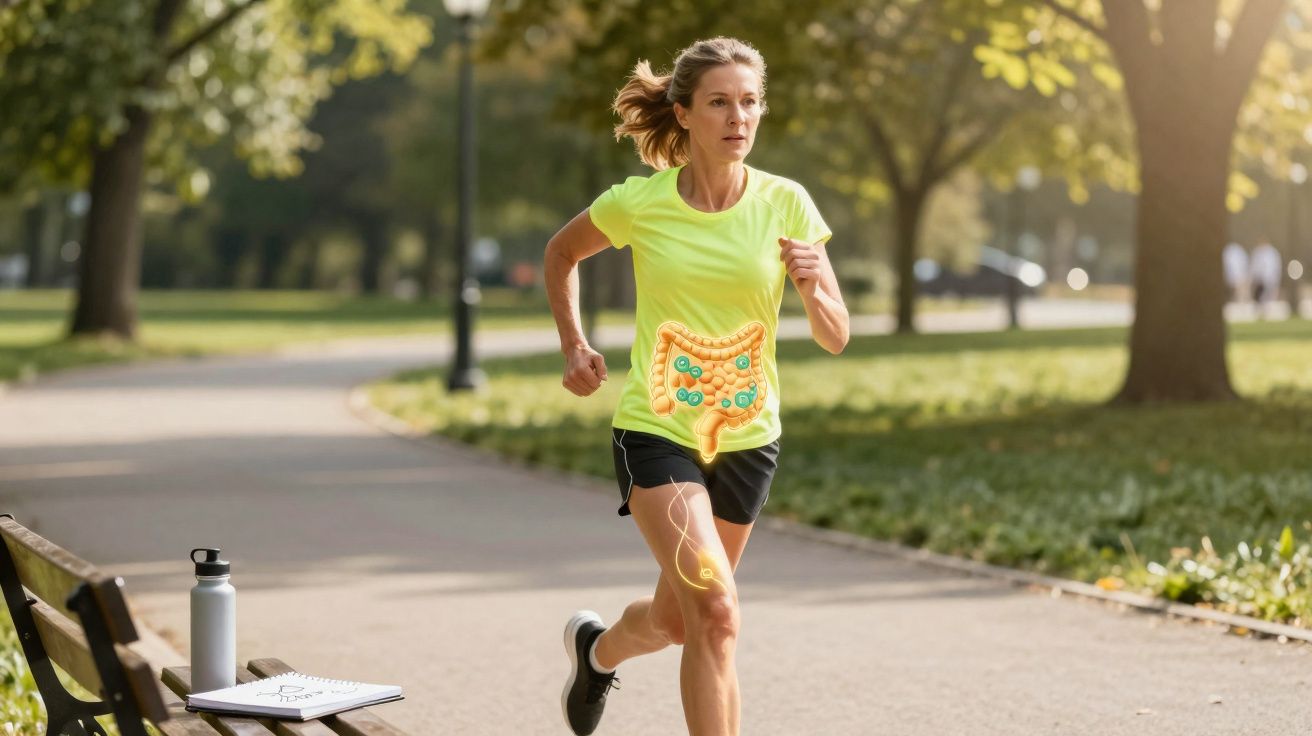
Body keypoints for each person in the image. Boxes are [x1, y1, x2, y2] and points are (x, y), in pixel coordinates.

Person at [543, 37, 848, 736]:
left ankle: (596, 652)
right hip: (658, 430)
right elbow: (562, 253)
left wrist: (810, 287)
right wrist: (575, 343)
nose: (738, 117)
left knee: (681, 620)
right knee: (717, 609)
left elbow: (836, 336)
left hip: (749, 439)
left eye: (749, 102)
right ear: (683, 113)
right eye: (719, 102)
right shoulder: (640, 203)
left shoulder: (787, 204)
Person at [1250, 238, 1283, 316]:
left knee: (1267, 295)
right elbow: (1254, 265)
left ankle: (1266, 310)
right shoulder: (1257, 252)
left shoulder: (1272, 253)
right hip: (1260, 278)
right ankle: (1260, 310)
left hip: (1269, 278)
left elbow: (1275, 266)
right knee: (1259, 294)